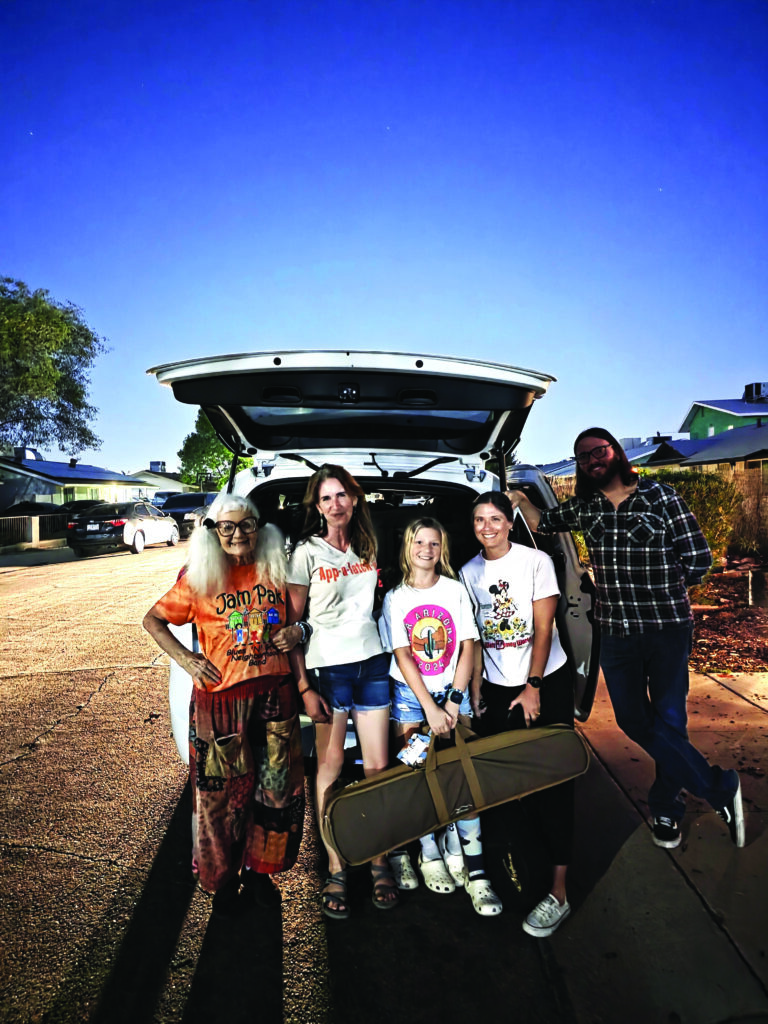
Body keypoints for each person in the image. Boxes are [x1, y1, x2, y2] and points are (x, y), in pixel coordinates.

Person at [507, 427, 745, 850]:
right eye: (583, 457)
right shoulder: (586, 508)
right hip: (616, 633)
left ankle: (666, 809)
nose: (592, 460)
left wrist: (664, 591)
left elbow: (699, 559)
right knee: (633, 720)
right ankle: (719, 787)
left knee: (670, 721)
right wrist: (521, 501)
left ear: (615, 452)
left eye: (598, 451)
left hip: (666, 629)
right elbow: (544, 524)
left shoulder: (661, 497)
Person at [142, 494, 305, 917]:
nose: (237, 534)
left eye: (246, 524)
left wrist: (297, 632)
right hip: (220, 704)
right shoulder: (200, 577)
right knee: (221, 798)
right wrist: (186, 658)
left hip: (275, 697)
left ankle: (261, 872)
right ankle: (223, 878)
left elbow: (303, 618)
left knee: (275, 792)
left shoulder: (276, 569)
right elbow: (153, 620)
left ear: (260, 528)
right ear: (214, 532)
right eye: (227, 527)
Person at [460, 491, 576, 938]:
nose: (487, 527)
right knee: (508, 785)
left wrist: (533, 687)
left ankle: (559, 893)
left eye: (495, 518)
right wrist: (475, 688)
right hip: (496, 686)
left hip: (545, 682)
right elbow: (473, 636)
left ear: (510, 522)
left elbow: (544, 627)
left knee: (554, 784)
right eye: (479, 520)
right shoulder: (468, 572)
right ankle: (522, 868)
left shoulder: (536, 561)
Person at [286, 464, 398, 918]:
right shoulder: (305, 553)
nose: (335, 505)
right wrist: (303, 687)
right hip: (328, 670)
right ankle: (335, 866)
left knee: (377, 767)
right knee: (330, 768)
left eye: (341, 495)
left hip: (373, 664)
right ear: (317, 506)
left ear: (354, 499)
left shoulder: (368, 545)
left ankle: (379, 860)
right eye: (326, 498)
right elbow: (292, 628)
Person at [378, 516, 503, 916]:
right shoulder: (396, 598)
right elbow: (403, 655)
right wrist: (429, 708)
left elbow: (468, 645)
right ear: (408, 547)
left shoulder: (454, 590)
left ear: (442, 549)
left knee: (460, 773)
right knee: (417, 772)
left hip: (453, 693)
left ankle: (471, 862)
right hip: (411, 698)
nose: (426, 550)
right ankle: (428, 851)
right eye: (419, 542)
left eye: (434, 543)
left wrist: (453, 700)